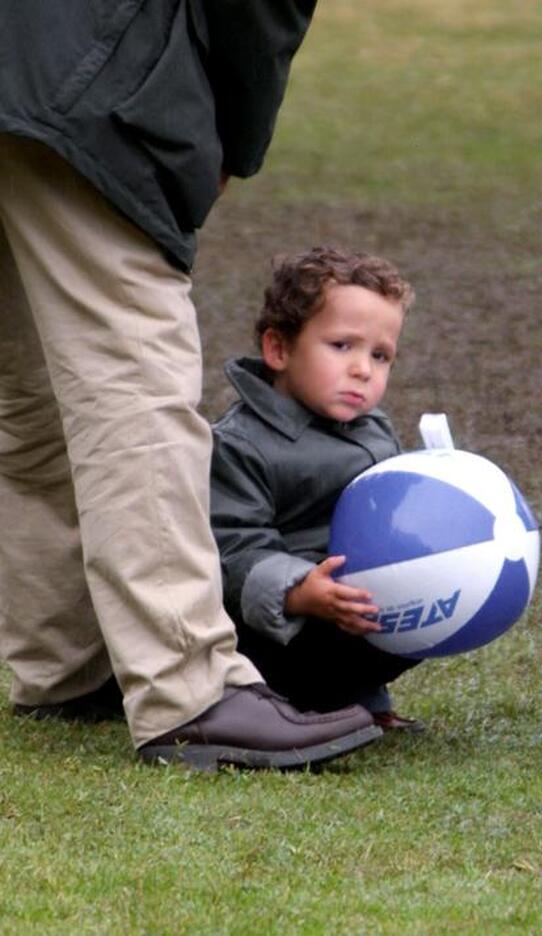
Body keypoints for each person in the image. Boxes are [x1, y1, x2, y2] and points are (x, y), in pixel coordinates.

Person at [0, 2, 383, 771]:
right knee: (131, 378)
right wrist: (234, 137)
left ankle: (64, 662)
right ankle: (188, 687)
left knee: (30, 378)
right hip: (75, 74)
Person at [210, 247, 423, 730]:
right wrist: (299, 590)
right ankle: (272, 703)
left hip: (352, 613)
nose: (363, 370)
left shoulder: (374, 430)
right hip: (277, 635)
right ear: (279, 349)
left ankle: (362, 699)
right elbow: (232, 547)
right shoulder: (239, 445)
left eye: (380, 355)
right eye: (342, 346)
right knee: (343, 610)